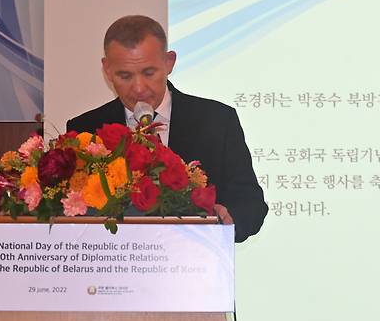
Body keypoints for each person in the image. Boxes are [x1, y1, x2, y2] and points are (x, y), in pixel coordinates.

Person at [66, 15, 268, 242]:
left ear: (169, 62)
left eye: (149, 73)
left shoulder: (217, 120)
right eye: (125, 75)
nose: (139, 88)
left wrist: (228, 219)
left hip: (194, 267)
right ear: (107, 69)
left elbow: (250, 203)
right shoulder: (85, 130)